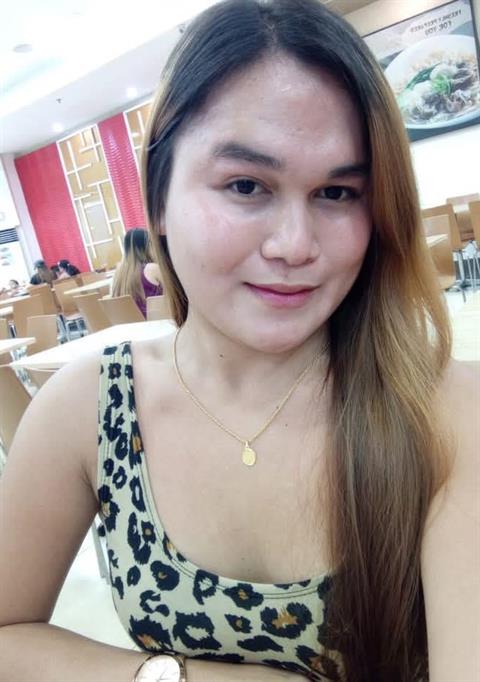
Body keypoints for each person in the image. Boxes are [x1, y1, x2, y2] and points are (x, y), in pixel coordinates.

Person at [0, 1, 478, 681]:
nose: (295, 245)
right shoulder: (92, 408)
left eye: (338, 193)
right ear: (158, 201)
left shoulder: (444, 412)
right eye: (247, 185)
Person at [111, 228, 163, 317]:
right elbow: (176, 295)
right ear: (148, 246)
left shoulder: (118, 274)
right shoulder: (152, 268)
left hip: (133, 324)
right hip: (160, 322)